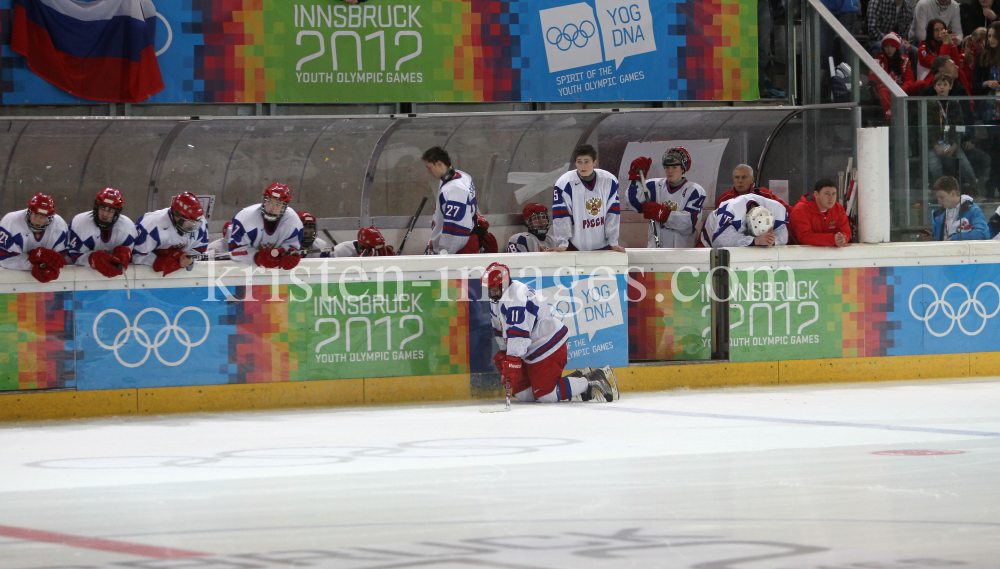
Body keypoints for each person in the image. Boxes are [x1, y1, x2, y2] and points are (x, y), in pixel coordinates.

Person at [483, 262, 617, 403]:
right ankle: (576, 380)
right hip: (530, 350)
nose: (492, 293)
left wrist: (512, 360)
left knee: (547, 396)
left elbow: (518, 332)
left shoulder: (517, 297)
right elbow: (500, 329)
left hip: (547, 345)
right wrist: (505, 353)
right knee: (523, 394)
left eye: (495, 289)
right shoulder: (497, 299)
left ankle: (591, 380)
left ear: (505, 283)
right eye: (490, 289)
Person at [624, 148, 707, 248]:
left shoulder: (694, 190)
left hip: (684, 253)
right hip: (655, 252)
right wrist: (636, 178)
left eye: (674, 167)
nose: (669, 171)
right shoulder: (653, 185)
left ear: (683, 169)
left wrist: (664, 214)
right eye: (667, 167)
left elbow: (690, 224)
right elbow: (633, 203)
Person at [551, 144, 626, 252]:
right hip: (574, 246)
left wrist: (613, 241)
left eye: (586, 162)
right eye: (579, 162)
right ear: (575, 162)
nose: (582, 166)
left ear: (594, 162)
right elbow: (561, 215)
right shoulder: (565, 183)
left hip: (603, 245)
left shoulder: (609, 181)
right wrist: (563, 242)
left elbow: (613, 213)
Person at [925, 73, 981, 191]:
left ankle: (974, 188)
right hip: (934, 144)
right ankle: (941, 191)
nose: (941, 87)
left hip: (951, 142)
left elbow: (959, 126)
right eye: (939, 84)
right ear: (934, 87)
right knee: (934, 166)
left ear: (950, 86)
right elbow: (928, 128)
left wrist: (954, 146)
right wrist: (936, 146)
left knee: (964, 163)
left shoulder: (955, 103)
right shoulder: (929, 104)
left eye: (945, 84)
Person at [229, 183, 303, 270]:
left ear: (285, 207)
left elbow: (292, 248)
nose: (272, 207)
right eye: (269, 201)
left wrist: (289, 256)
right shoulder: (245, 218)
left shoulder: (293, 223)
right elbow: (234, 251)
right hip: (240, 271)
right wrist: (255, 257)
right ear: (264, 200)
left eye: (278, 204)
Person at [132, 192, 209, 276]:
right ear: (176, 215)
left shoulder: (201, 223)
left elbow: (199, 251)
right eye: (188, 222)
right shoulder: (152, 225)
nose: (192, 226)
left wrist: (189, 259)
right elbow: (137, 257)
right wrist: (167, 262)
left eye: (195, 223)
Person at [422, 146, 481, 255]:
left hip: (460, 247)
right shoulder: (462, 176)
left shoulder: (454, 189)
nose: (429, 172)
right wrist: (436, 240)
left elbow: (456, 228)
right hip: (466, 241)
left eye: (429, 167)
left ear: (439, 164)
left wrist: (444, 251)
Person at [66, 187, 136, 278]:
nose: (105, 214)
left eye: (110, 210)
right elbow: (72, 257)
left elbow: (134, 258)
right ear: (96, 206)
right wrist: (91, 259)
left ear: (117, 212)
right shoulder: (80, 224)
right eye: (103, 207)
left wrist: (125, 257)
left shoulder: (127, 229)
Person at [0, 193, 68, 283]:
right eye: (35, 214)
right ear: (29, 211)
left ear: (50, 217)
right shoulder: (10, 222)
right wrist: (35, 262)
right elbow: (5, 259)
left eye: (43, 216)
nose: (37, 220)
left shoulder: (60, 226)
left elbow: (59, 260)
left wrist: (39, 261)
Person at [700, 193, 790, 248]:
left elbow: (783, 238)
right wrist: (755, 241)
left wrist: (772, 241)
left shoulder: (777, 210)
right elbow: (719, 240)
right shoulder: (732, 210)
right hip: (707, 241)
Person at [974, 22, 1000, 197]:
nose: (989, 39)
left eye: (992, 36)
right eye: (988, 36)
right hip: (991, 110)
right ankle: (992, 185)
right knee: (996, 149)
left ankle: (992, 184)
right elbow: (975, 84)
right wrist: (987, 83)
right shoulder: (982, 56)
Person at [789, 179, 852, 246]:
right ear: (816, 194)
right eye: (827, 194)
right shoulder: (801, 209)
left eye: (834, 194)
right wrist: (833, 239)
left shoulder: (838, 208)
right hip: (802, 253)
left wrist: (842, 239)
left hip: (831, 252)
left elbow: (846, 232)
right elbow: (803, 236)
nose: (831, 198)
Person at [869, 33, 918, 120]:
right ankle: (891, 118)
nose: (889, 49)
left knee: (920, 85)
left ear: (897, 48)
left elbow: (910, 80)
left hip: (902, 89)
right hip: (886, 89)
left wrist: (900, 90)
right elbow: (873, 80)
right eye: (887, 46)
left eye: (892, 46)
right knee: (883, 91)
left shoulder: (905, 60)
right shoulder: (877, 60)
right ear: (883, 47)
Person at [924, 175, 988, 240]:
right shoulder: (937, 214)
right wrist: (932, 239)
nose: (939, 201)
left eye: (942, 197)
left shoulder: (972, 210)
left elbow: (983, 233)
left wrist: (954, 239)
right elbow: (938, 240)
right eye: (937, 197)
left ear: (953, 193)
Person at [714, 164, 792, 211]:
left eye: (744, 177)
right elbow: (715, 221)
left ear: (752, 179)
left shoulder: (763, 194)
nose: (740, 181)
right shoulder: (725, 198)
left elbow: (787, 210)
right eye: (737, 177)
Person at [820, 0, 860, 67]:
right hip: (825, 8)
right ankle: (823, 75)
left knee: (847, 51)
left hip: (846, 8)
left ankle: (849, 74)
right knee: (823, 51)